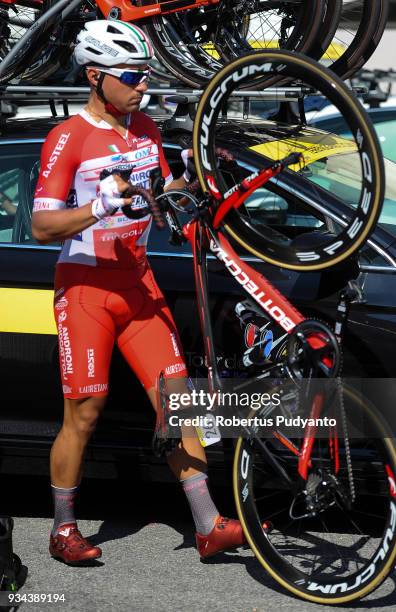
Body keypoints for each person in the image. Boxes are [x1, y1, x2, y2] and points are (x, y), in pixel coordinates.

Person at [31, 20, 245, 566]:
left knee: (179, 407)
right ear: (96, 76)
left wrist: (194, 181)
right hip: (86, 288)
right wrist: (99, 207)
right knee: (85, 411)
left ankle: (207, 525)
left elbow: (160, 196)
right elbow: (41, 228)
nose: (142, 85)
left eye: (146, 75)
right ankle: (63, 529)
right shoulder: (69, 137)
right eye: (132, 76)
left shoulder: (145, 128)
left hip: (138, 284)